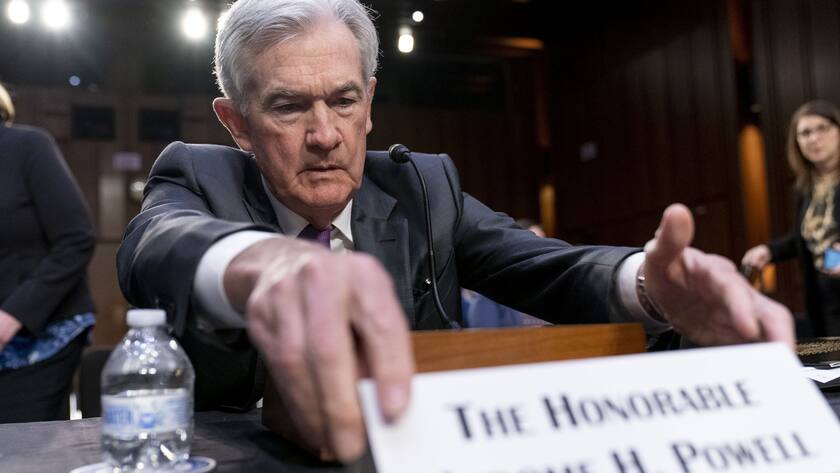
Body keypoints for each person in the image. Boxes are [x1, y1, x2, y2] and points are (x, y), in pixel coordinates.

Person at [117, 0, 793, 462]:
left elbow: (543, 265)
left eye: (344, 100)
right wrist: (261, 263)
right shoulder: (198, 175)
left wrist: (646, 284)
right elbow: (155, 243)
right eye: (289, 107)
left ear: (368, 103)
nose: (325, 135)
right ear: (237, 123)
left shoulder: (420, 186)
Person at [0, 83, 96, 423]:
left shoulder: (27, 146)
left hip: (40, 339)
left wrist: (11, 316)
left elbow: (76, 239)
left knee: (18, 447)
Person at [742, 100, 840, 336]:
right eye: (805, 133)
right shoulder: (805, 188)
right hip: (823, 294)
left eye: (822, 128)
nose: (814, 138)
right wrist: (769, 251)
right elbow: (803, 237)